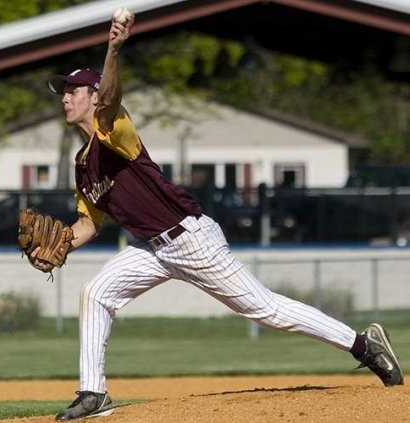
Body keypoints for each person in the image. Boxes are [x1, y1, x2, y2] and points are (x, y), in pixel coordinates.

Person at [39, 12, 404, 421]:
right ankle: (93, 394)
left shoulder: (114, 130)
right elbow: (89, 222)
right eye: (63, 92)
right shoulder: (82, 164)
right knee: (96, 293)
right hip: (150, 249)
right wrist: (60, 244)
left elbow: (111, 98)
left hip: (190, 240)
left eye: (73, 90)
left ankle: (364, 345)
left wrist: (114, 49)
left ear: (92, 95)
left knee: (265, 310)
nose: (65, 97)